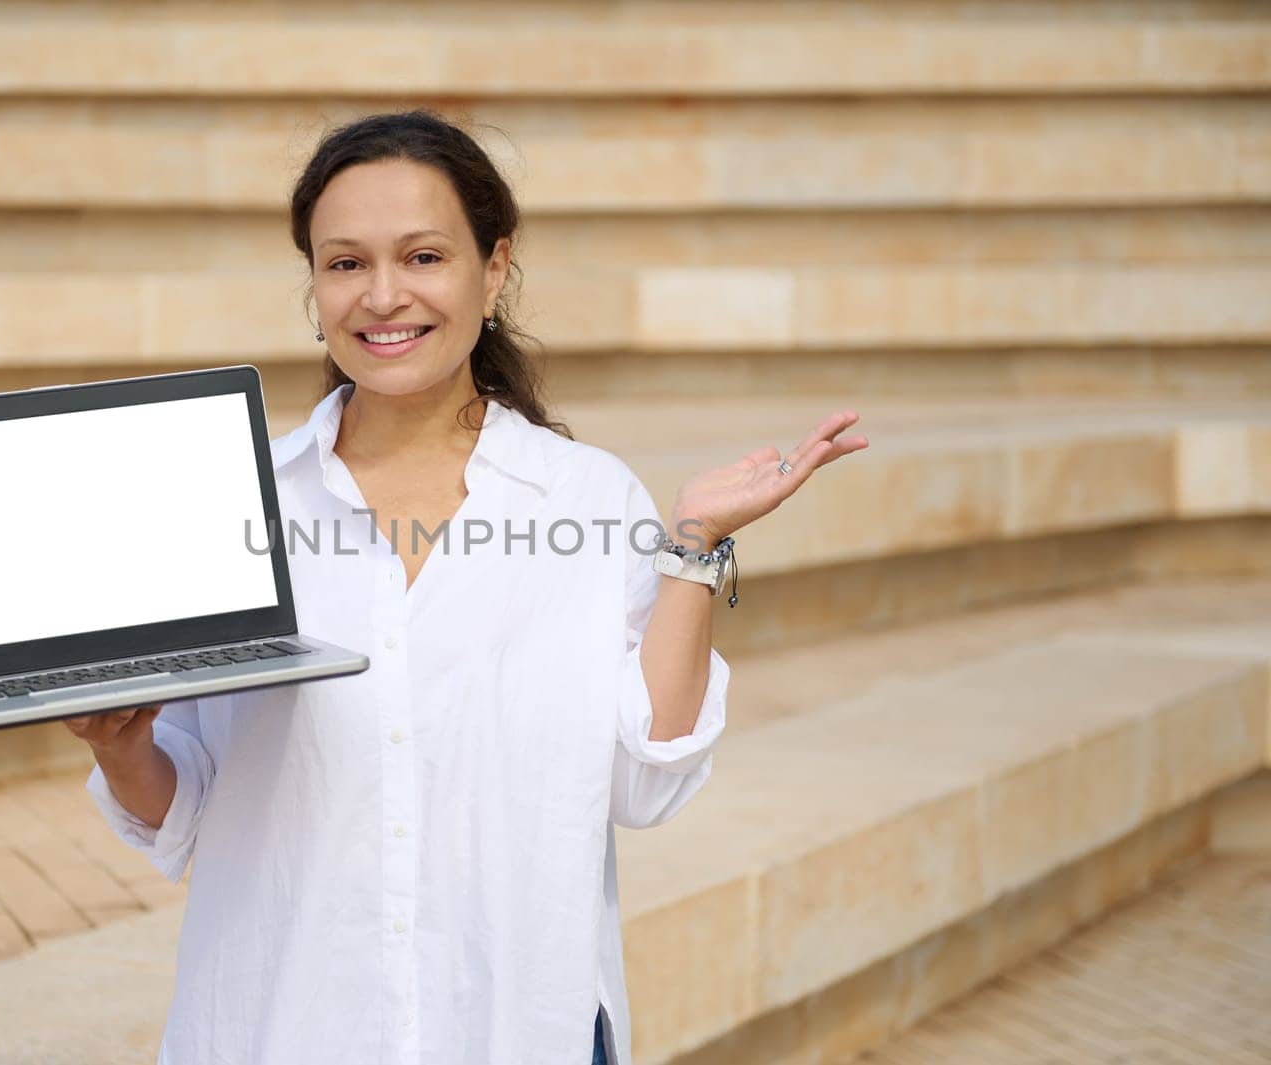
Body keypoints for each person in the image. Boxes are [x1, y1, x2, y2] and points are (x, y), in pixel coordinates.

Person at [65, 110, 868, 1065]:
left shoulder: (587, 497)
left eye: (424, 256)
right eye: (346, 263)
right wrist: (124, 749)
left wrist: (691, 547)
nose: (383, 296)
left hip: (515, 1024)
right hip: (283, 1025)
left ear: (493, 270)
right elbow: (185, 811)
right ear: (314, 285)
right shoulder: (243, 508)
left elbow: (642, 781)